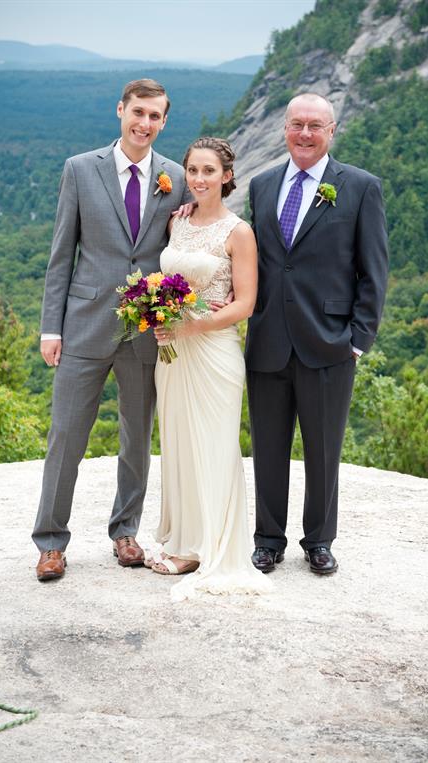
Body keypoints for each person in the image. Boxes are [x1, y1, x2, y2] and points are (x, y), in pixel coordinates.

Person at [32, 79, 193, 581]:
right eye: (137, 112)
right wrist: (50, 327)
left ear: (164, 122)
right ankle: (51, 542)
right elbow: (62, 255)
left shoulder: (175, 178)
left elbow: (179, 248)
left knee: (136, 437)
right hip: (83, 324)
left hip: (145, 328)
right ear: (120, 110)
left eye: (155, 116)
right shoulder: (81, 169)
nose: (144, 123)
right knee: (66, 437)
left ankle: (125, 531)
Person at [246, 93, 389, 575]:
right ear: (284, 129)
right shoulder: (262, 185)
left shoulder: (361, 187)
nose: (304, 134)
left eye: (315, 126)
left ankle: (319, 540)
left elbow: (374, 271)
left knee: (323, 449)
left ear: (332, 131)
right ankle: (268, 538)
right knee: (268, 446)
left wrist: (358, 338)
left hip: (329, 342)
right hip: (267, 339)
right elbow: (258, 259)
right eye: (296, 124)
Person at [148, 137, 272, 602]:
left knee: (215, 446)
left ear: (225, 176)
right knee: (178, 442)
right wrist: (159, 317)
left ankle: (212, 548)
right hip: (172, 354)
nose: (199, 179)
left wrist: (193, 326)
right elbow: (167, 283)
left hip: (213, 351)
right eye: (192, 170)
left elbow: (245, 304)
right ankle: (184, 541)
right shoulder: (177, 221)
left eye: (208, 171)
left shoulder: (238, 232)